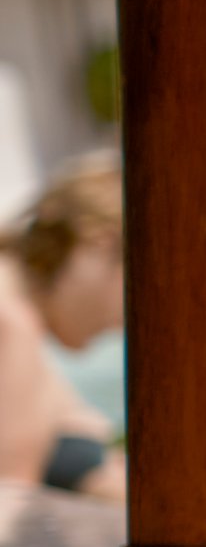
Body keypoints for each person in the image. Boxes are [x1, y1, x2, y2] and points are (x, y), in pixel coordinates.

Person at [0, 158, 123, 500]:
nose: (128, 324)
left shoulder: (21, 325)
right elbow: (8, 509)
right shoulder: (13, 325)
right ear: (101, 241)